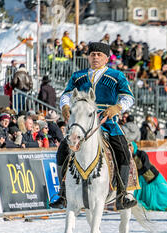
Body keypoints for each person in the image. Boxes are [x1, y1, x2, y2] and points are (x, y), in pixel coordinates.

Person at [50, 42, 137, 210]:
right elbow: (66, 95)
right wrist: (65, 106)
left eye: (99, 54)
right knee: (62, 150)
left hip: (107, 123)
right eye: (93, 54)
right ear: (88, 56)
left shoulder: (116, 75)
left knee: (123, 153)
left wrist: (118, 107)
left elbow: (129, 97)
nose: (95, 57)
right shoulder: (78, 76)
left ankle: (121, 194)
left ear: (106, 58)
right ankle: (62, 193)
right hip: (83, 123)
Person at [130, 141, 167, 212]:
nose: (129, 148)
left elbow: (146, 166)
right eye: (128, 146)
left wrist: (137, 173)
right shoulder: (130, 157)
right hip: (143, 180)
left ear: (134, 147)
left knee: (162, 191)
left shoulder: (142, 154)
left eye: (130, 146)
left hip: (153, 177)